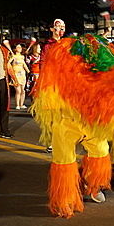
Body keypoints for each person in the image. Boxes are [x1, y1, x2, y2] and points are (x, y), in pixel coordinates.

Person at [40, 19, 65, 154]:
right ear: (51, 29)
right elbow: (43, 64)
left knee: (64, 115)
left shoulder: (67, 44)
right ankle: (51, 141)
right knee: (52, 114)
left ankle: (62, 139)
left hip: (66, 84)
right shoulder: (47, 46)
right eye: (58, 26)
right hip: (52, 84)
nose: (60, 28)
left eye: (63, 26)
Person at [10, 43, 30, 109]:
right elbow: (8, 63)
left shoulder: (22, 57)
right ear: (15, 49)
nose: (20, 48)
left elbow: (24, 65)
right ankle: (17, 104)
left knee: (23, 90)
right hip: (15, 74)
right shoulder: (13, 56)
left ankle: (21, 104)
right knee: (18, 90)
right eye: (18, 47)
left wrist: (28, 71)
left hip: (22, 74)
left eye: (20, 47)